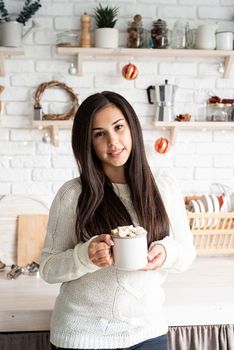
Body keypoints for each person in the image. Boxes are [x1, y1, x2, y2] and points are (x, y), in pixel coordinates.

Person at [39, 91, 196, 350]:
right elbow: (48, 268)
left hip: (148, 335)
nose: (113, 141)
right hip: (81, 337)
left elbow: (187, 252)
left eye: (118, 127)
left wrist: (165, 252)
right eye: (99, 133)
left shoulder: (164, 187)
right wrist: (85, 257)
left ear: (131, 127)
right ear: (87, 142)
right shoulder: (73, 194)